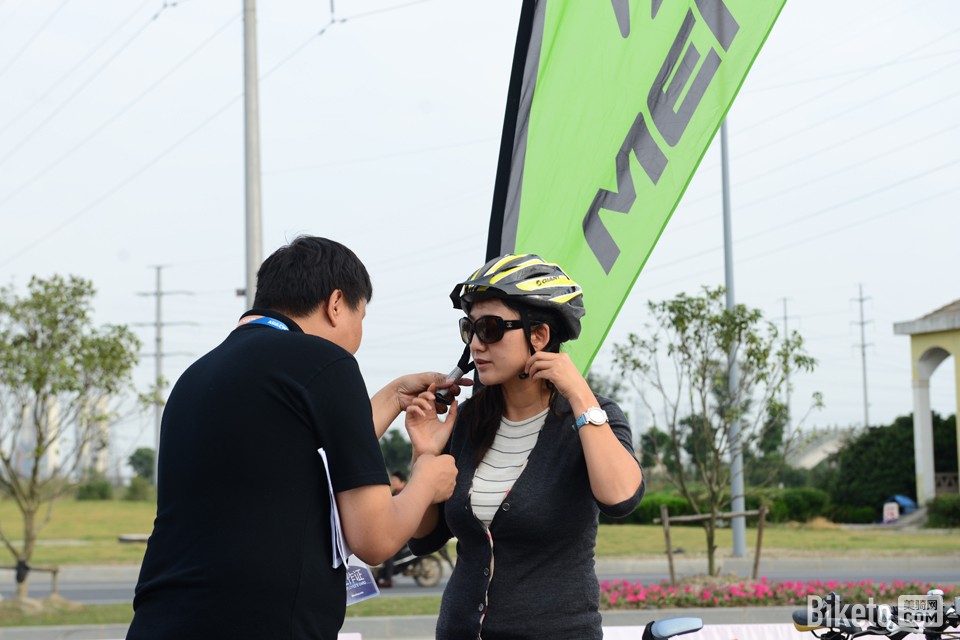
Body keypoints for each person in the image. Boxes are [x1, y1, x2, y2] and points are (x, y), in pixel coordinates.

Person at [128, 236, 460, 640]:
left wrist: (393, 397)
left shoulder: (198, 376)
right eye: (361, 316)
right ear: (336, 303)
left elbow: (307, 450)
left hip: (160, 620)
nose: (359, 334)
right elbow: (375, 538)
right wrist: (426, 478)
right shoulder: (327, 361)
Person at [405, 253, 644, 640]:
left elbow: (621, 498)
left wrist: (580, 395)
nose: (476, 344)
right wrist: (425, 453)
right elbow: (423, 538)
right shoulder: (467, 421)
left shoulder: (591, 419)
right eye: (469, 328)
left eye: (490, 328)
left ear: (539, 335)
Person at [377, 470, 408, 588]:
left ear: (402, 482)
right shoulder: (393, 494)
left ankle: (388, 580)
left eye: (395, 480)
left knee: (389, 552)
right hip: (394, 528)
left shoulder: (405, 494)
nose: (393, 482)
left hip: (404, 531)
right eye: (392, 480)